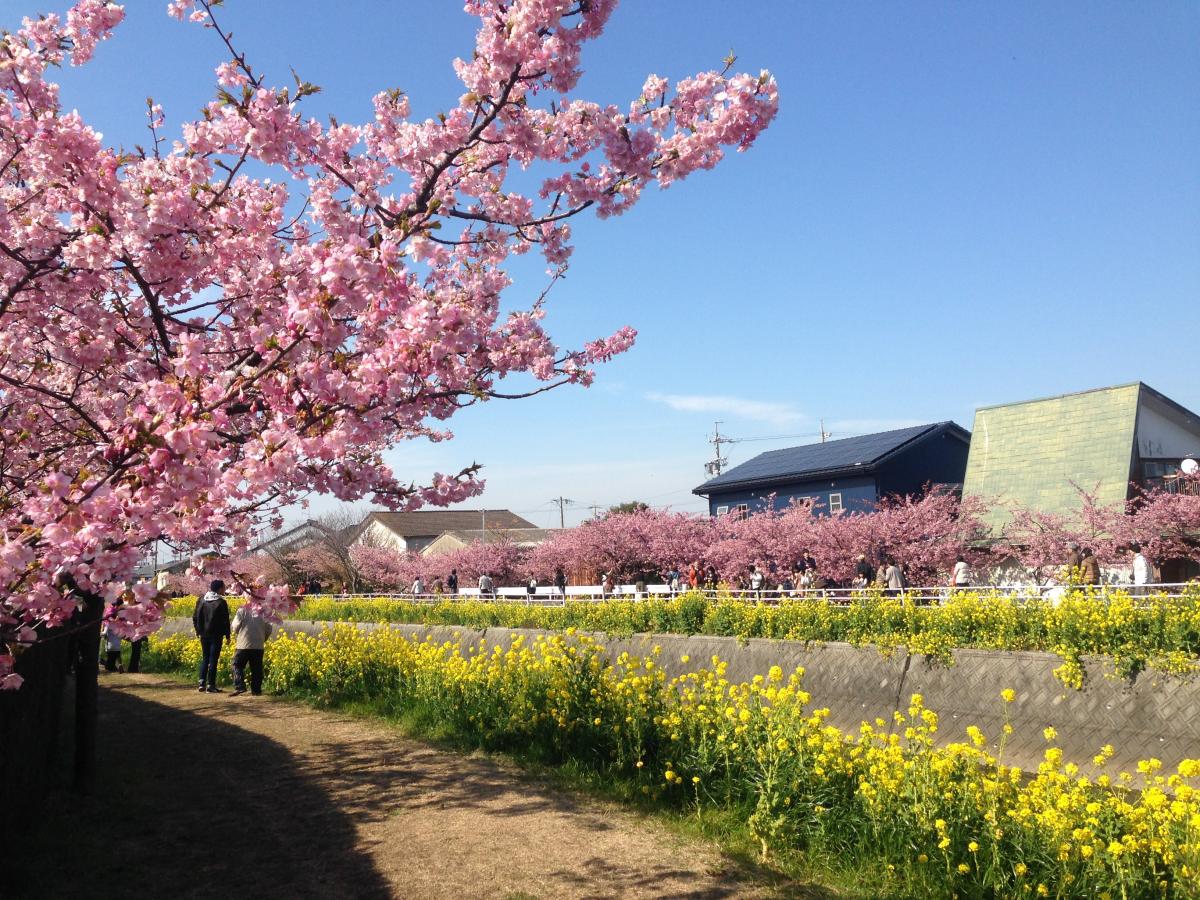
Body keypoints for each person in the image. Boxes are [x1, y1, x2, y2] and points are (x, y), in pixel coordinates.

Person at [192, 580, 231, 693]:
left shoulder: (201, 599)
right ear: (219, 589)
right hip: (216, 635)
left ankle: (201, 682)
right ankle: (211, 685)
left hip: (203, 634)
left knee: (205, 658)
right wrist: (227, 635)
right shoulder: (221, 602)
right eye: (224, 588)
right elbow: (225, 621)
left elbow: (195, 617)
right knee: (213, 659)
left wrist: (197, 630)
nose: (224, 590)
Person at [230, 603, 273, 696]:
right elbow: (269, 628)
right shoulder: (265, 610)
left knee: (236, 664)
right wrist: (263, 638)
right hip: (258, 644)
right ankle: (256, 690)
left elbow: (235, 626)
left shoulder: (242, 609)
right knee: (256, 668)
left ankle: (240, 686)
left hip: (243, 644)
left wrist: (239, 633)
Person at [101, 599, 124, 673]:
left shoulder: (108, 624)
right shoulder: (119, 624)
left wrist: (101, 634)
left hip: (110, 645)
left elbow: (104, 633)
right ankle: (120, 664)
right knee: (118, 656)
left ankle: (110, 666)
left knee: (110, 659)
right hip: (117, 644)